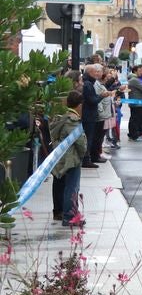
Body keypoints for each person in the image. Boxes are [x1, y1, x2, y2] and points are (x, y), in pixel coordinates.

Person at [50, 91, 89, 227]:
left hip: (59, 156)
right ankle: (70, 216)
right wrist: (83, 154)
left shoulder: (60, 117)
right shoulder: (72, 120)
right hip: (70, 158)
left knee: (59, 185)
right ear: (79, 105)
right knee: (72, 188)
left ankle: (58, 211)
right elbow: (80, 142)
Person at [126, 64, 142, 142]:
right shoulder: (134, 79)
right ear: (135, 71)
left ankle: (135, 134)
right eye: (140, 71)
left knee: (135, 120)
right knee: (134, 120)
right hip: (136, 103)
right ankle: (133, 136)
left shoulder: (135, 79)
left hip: (138, 102)